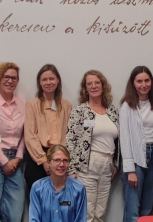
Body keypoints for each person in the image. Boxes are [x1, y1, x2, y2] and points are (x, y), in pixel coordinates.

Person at [66, 70, 119, 222]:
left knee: (100, 212)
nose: (94, 86)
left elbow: (119, 142)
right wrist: (71, 170)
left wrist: (116, 165)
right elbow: (70, 140)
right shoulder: (80, 111)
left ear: (103, 86)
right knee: (87, 212)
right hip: (87, 166)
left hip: (107, 165)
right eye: (89, 84)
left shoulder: (113, 111)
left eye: (97, 83)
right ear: (85, 88)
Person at [0, 62, 26, 222]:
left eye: (14, 78)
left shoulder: (23, 103)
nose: (10, 81)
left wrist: (18, 158)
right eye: (6, 77)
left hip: (16, 161)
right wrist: (3, 161)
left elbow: (25, 134)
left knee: (16, 207)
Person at [119, 66, 153, 222]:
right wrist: (130, 170)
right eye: (139, 81)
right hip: (136, 160)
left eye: (147, 80)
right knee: (132, 211)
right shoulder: (127, 106)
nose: (144, 85)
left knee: (147, 209)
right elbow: (124, 138)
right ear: (133, 83)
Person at [24, 64, 73, 194]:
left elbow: (70, 134)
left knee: (59, 198)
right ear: (39, 83)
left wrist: (62, 161)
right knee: (39, 199)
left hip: (61, 159)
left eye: (51, 79)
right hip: (38, 160)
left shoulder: (66, 106)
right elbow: (30, 135)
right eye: (44, 79)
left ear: (58, 80)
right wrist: (44, 161)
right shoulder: (32, 105)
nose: (48, 82)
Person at [29, 145, 87, 222]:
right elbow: (34, 218)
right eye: (57, 160)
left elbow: (81, 219)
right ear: (48, 162)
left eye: (65, 160)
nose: (62, 164)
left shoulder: (78, 189)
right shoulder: (37, 188)